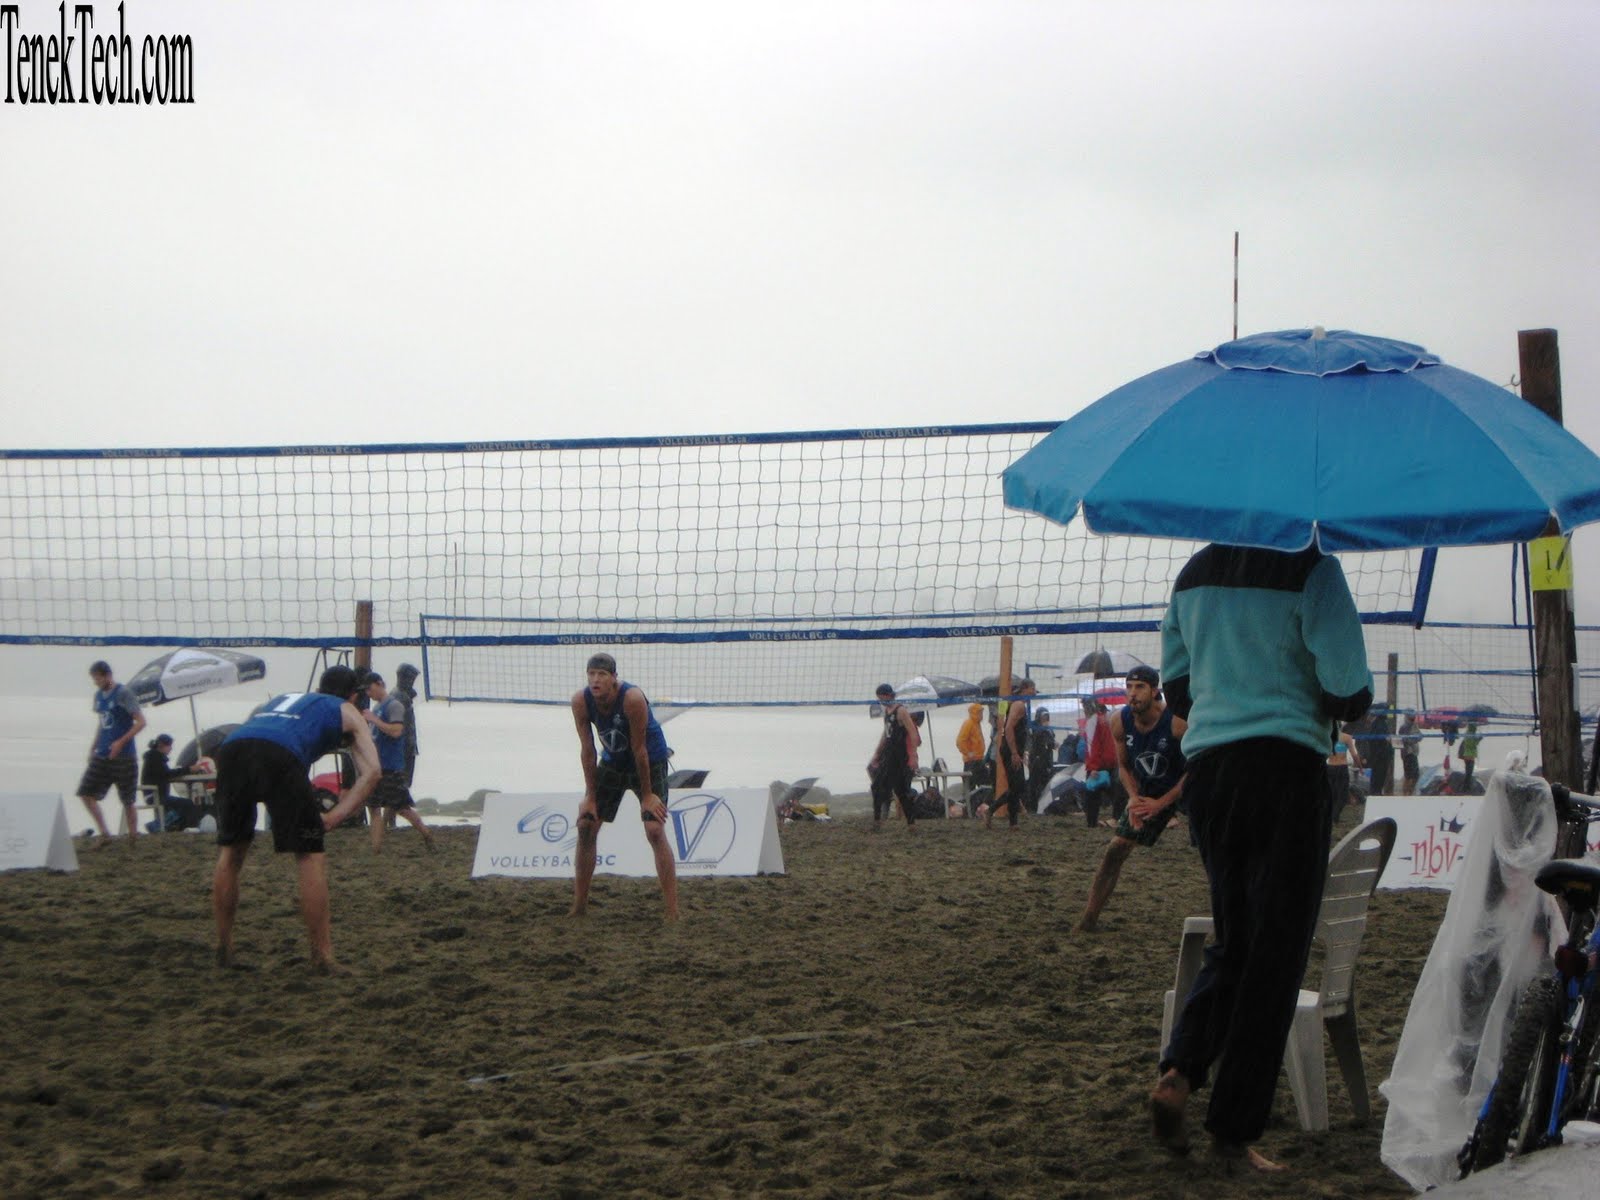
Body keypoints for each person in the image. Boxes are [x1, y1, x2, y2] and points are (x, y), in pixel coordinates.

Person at [1151, 543, 1372, 1172]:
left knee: (1236, 939)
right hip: (1286, 769)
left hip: (1212, 776)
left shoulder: (1194, 574)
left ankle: (1179, 1071)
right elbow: (1347, 690)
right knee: (1275, 957)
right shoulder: (1312, 568)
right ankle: (1232, 1131)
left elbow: (1179, 690)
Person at [211, 665, 381, 972]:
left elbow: (260, 733)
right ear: (354, 695)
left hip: (233, 748)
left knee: (232, 852)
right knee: (309, 856)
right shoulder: (347, 709)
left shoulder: (285, 698)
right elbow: (372, 772)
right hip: (281, 754)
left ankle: (224, 950)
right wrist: (333, 817)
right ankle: (322, 958)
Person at [1077, 665, 1187, 933]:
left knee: (1212, 851)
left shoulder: (1176, 723)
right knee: (1115, 850)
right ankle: (1088, 921)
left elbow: (1197, 770)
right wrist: (1135, 799)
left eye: (1139, 687)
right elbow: (1124, 767)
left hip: (1188, 789)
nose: (1132, 694)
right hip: (1149, 791)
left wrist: (1162, 804)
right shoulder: (1119, 720)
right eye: (1129, 687)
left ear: (1155, 691)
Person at [571, 653, 680, 919]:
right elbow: (588, 750)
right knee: (586, 824)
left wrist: (647, 796)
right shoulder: (581, 701)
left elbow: (639, 750)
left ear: (614, 679)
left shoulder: (632, 699)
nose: (595, 680)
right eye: (591, 674)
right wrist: (590, 797)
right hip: (613, 762)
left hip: (649, 760)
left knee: (654, 829)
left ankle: (672, 911)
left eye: (602, 675)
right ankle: (579, 906)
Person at [362, 673, 436, 854]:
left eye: (369, 688)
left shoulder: (393, 705)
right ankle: (376, 849)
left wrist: (374, 720)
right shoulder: (378, 708)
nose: (368, 693)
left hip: (391, 767)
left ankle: (427, 835)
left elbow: (396, 731)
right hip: (376, 767)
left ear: (380, 684)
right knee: (374, 808)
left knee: (402, 808)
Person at [77, 660, 146, 842]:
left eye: (98, 678)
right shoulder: (98, 696)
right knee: (85, 792)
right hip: (102, 754)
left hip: (124, 756)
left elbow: (141, 722)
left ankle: (133, 836)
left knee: (127, 800)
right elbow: (102, 724)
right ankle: (104, 832)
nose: (96, 682)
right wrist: (93, 747)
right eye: (94, 679)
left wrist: (120, 742)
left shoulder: (123, 693)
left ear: (107, 675)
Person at [979, 678, 1035, 829]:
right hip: (1010, 749)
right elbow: (1008, 727)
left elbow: (1000, 724)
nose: (1034, 692)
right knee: (1018, 786)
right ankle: (992, 811)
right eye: (1032, 689)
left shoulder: (1006, 702)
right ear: (1025, 688)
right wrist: (1015, 753)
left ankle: (1012, 822)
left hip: (1006, 748)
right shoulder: (1018, 705)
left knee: (1015, 786)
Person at [867, 683, 921, 831]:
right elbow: (886, 734)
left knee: (900, 791)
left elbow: (913, 733)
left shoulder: (901, 710)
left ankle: (910, 824)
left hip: (898, 756)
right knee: (878, 787)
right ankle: (878, 821)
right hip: (887, 754)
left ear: (888, 695)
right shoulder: (888, 711)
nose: (880, 701)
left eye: (881, 697)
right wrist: (877, 754)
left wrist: (913, 757)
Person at [141, 734, 200, 831]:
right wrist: (188, 769)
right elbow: (166, 774)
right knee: (188, 804)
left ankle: (165, 825)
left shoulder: (153, 757)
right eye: (169, 746)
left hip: (152, 794)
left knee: (182, 805)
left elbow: (163, 774)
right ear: (161, 745)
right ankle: (157, 825)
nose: (171, 748)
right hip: (155, 795)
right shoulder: (155, 757)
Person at [1079, 695, 1119, 828]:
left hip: (1099, 762)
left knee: (1092, 794)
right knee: (1115, 792)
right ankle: (1118, 817)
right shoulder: (1104, 719)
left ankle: (1092, 822)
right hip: (1110, 760)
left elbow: (1092, 746)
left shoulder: (1092, 721)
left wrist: (1092, 767)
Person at [1327, 727, 1362, 825]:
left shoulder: (1328, 737)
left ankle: (1334, 817)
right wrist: (1360, 767)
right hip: (1341, 767)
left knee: (1332, 794)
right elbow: (1354, 754)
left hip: (1330, 766)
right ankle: (1334, 817)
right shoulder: (1346, 737)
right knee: (1342, 795)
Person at [394, 662, 421, 786]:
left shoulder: (403, 695)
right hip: (403, 747)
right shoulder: (399, 696)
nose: (412, 682)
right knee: (401, 784)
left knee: (404, 784)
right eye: (411, 679)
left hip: (407, 746)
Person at [1027, 708, 1058, 812]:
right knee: (1034, 784)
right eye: (1043, 716)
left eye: (1046, 716)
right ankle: (1033, 807)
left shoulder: (1049, 728)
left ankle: (1046, 806)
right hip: (1036, 759)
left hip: (1047, 759)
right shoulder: (1034, 727)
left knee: (1047, 783)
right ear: (1038, 716)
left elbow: (1050, 741)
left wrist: (1053, 744)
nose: (1045, 718)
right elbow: (1035, 741)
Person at [957, 702, 987, 797]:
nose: (982, 715)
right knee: (970, 787)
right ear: (975, 713)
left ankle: (980, 804)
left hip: (979, 760)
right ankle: (969, 807)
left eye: (982, 712)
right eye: (980, 713)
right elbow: (960, 741)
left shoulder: (976, 724)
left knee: (984, 784)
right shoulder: (969, 723)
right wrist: (968, 753)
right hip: (971, 762)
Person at [1398, 711, 1422, 795]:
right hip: (1407, 753)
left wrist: (1415, 738)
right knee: (1409, 776)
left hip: (1414, 753)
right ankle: (1405, 793)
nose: (1412, 719)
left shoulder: (1414, 726)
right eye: (1411, 717)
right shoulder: (1404, 727)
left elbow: (1420, 736)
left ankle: (1410, 791)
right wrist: (1413, 739)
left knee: (1415, 775)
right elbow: (1405, 740)